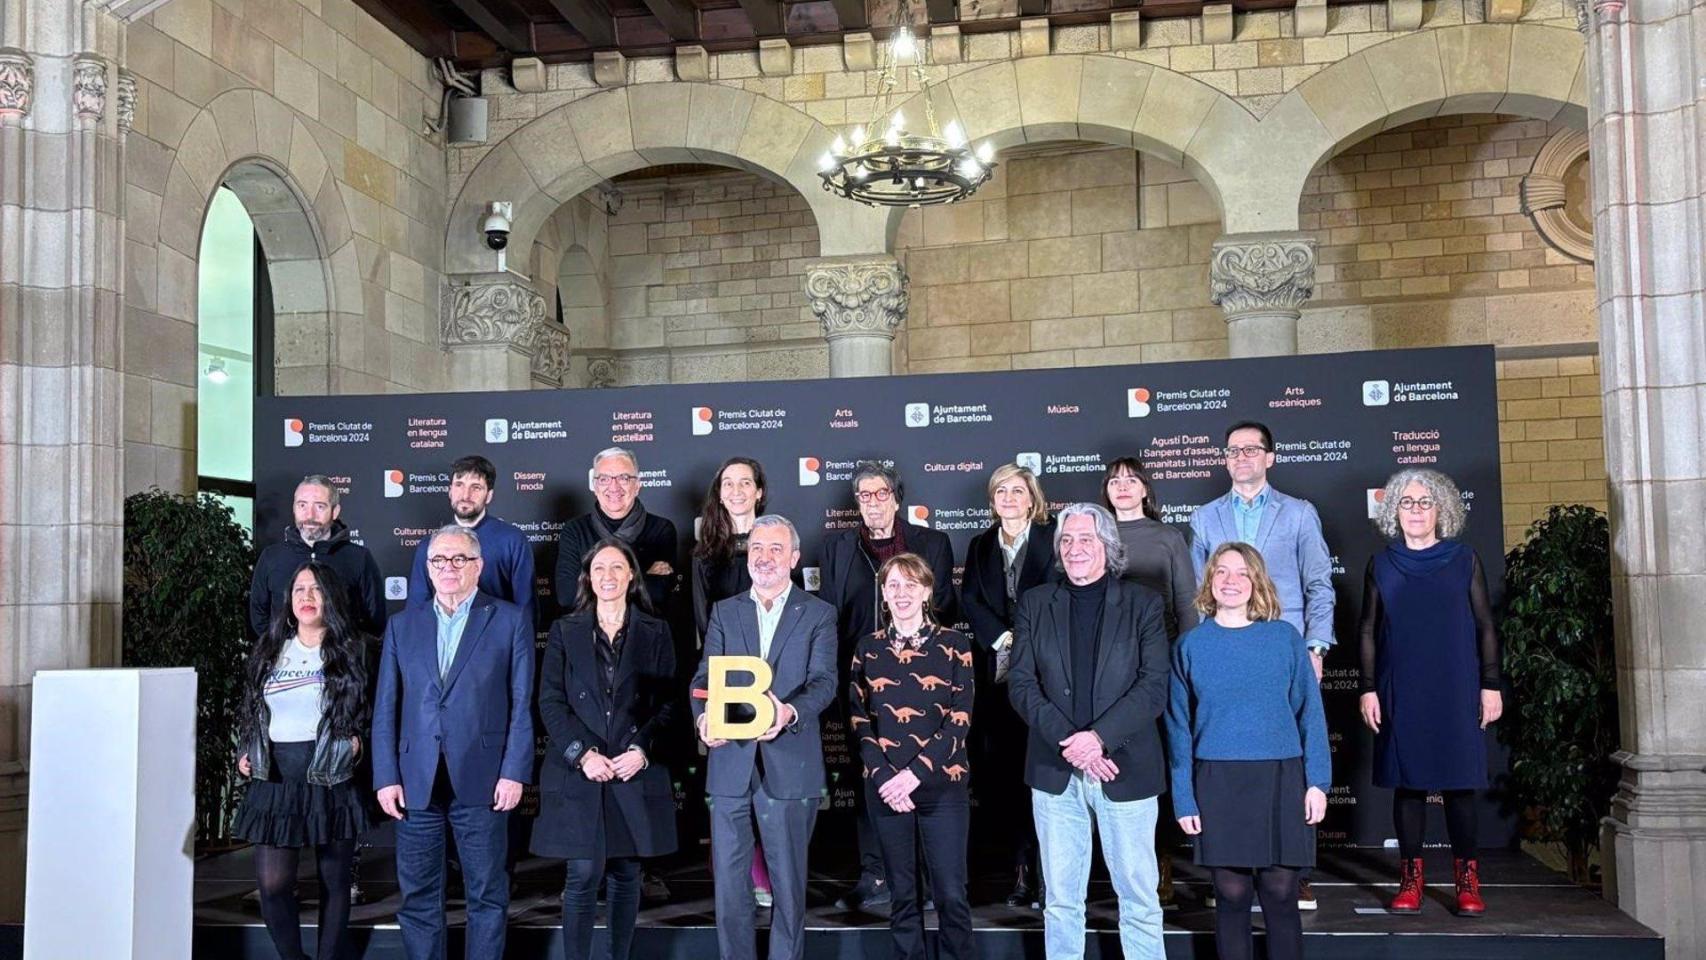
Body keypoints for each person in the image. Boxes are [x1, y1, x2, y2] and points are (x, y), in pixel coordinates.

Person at [1007, 502, 1170, 960]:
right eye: (1067, 540)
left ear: (1108, 547)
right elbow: (1021, 684)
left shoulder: (1144, 603)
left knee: (1139, 897)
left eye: (1086, 539)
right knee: (1060, 899)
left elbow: (1153, 686)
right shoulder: (1036, 603)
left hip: (1126, 768)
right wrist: (1074, 744)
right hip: (1055, 772)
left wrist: (1096, 740)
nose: (1075, 548)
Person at [371, 525, 535, 960]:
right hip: (414, 783)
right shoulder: (402, 626)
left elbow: (522, 704)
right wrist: (385, 776)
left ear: (478, 567)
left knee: (487, 894)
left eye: (458, 559)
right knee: (420, 897)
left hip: (484, 780)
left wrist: (514, 771)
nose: (448, 568)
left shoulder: (510, 620)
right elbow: (385, 708)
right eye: (438, 560)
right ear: (427, 568)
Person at [1189, 420, 1334, 909]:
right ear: (1225, 459)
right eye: (1233, 450)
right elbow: (1198, 593)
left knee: (1292, 759)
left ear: (1270, 457)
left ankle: (1297, 871)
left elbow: (1319, 584)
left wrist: (1315, 648)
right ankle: (1228, 864)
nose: (1242, 457)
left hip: (1284, 652)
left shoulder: (1298, 513)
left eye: (1252, 449)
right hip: (1226, 649)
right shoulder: (1205, 518)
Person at [1166, 543, 1330, 960]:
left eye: (1242, 573)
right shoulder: (1190, 646)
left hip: (1280, 775)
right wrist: (1184, 797)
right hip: (1217, 780)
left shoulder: (1284, 638)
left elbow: (1310, 714)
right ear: (1209, 582)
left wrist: (1318, 783)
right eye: (1221, 572)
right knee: (1231, 894)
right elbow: (1178, 729)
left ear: (1257, 581)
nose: (1231, 581)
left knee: (1279, 893)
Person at [691, 515, 838, 960]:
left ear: (794, 558)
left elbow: (824, 682)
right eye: (757, 547)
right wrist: (702, 719)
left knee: (789, 887)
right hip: (730, 765)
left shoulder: (819, 613)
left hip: (789, 764)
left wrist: (789, 711)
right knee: (730, 890)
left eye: (776, 549)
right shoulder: (725, 610)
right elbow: (703, 679)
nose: (764, 557)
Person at [1359, 469, 1503, 916]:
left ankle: (1466, 880)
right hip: (1400, 687)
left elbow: (1484, 626)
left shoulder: (1464, 559)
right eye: (1407, 502)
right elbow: (1367, 629)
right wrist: (1367, 688)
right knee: (1409, 784)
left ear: (1441, 510)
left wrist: (1490, 684)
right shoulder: (1381, 563)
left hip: (1457, 684)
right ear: (1393, 511)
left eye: (1425, 502)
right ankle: (1411, 877)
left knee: (1460, 783)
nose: (1416, 510)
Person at [819, 461, 956, 911]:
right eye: (864, 495)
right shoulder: (837, 548)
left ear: (897, 498)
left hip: (922, 687)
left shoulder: (932, 543)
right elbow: (831, 619)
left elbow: (944, 610)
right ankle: (876, 874)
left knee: (924, 770)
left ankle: (927, 880)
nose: (873, 502)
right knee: (871, 773)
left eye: (881, 494)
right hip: (861, 681)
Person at [533, 538, 678, 960]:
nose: (608, 577)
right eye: (599, 569)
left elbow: (669, 702)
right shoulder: (564, 630)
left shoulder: (657, 630)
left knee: (626, 871)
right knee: (581, 874)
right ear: (588, 578)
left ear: (632, 574)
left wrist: (642, 749)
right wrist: (582, 753)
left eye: (617, 568)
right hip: (581, 770)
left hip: (633, 768)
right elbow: (550, 701)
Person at [234, 562, 372, 960]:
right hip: (276, 778)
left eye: (315, 590)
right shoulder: (269, 647)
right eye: (298, 590)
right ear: (288, 600)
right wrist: (247, 748)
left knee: (335, 883)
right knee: (273, 886)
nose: (306, 598)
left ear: (331, 597)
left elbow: (373, 707)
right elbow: (253, 709)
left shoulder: (355, 648)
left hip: (330, 777)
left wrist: (357, 742)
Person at [849, 552, 976, 960]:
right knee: (903, 896)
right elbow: (858, 720)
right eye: (893, 586)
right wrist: (887, 777)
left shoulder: (955, 646)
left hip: (943, 788)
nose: (901, 593)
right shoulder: (868, 649)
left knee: (951, 895)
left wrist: (915, 774)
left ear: (927, 591)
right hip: (886, 790)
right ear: (883, 594)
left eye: (910, 585)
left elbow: (960, 719)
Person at [959, 462, 1055, 909]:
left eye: (1018, 491)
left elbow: (1061, 593)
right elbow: (971, 600)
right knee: (1006, 778)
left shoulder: (1053, 537)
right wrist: (1004, 638)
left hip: (1048, 675)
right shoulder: (980, 545)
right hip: (995, 677)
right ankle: (1020, 872)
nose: (1010, 498)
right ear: (992, 499)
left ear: (1032, 498)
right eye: (1001, 491)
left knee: (1045, 776)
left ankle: (1047, 873)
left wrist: (1028, 642)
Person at [1102, 456, 1197, 904]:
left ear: (1145, 489)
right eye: (1115, 480)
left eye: (1131, 479)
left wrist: (1187, 665)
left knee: (1153, 768)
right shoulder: (1095, 536)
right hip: (1105, 675)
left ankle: (1161, 867)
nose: (1122, 486)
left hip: (1157, 668)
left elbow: (1186, 605)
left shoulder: (1167, 537)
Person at [689, 456, 777, 908]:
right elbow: (704, 623)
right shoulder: (706, 552)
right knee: (730, 779)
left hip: (773, 676)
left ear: (760, 491)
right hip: (726, 676)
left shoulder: (777, 540)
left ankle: (770, 865)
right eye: (729, 483)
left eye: (747, 482)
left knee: (769, 775)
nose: (738, 490)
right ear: (719, 492)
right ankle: (739, 871)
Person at [408, 454, 536, 630]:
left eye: (475, 487)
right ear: (450, 491)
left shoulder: (512, 540)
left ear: (489, 495)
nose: (465, 495)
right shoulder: (430, 545)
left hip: (497, 645)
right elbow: (417, 610)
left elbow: (526, 609)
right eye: (459, 485)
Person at [251, 475, 386, 638]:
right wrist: (281, 649)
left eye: (320, 506)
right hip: (283, 660)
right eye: (302, 505)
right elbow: (258, 615)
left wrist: (349, 650)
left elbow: (375, 620)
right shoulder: (271, 557)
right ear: (294, 508)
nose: (310, 515)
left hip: (344, 660)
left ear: (335, 511)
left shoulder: (359, 557)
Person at [555, 446, 679, 615]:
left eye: (624, 478)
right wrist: (642, 576)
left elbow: (658, 594)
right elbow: (568, 596)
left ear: (637, 485)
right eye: (604, 479)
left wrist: (594, 583)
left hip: (644, 634)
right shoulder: (575, 531)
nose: (614, 487)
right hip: (588, 635)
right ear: (595, 486)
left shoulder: (661, 529)